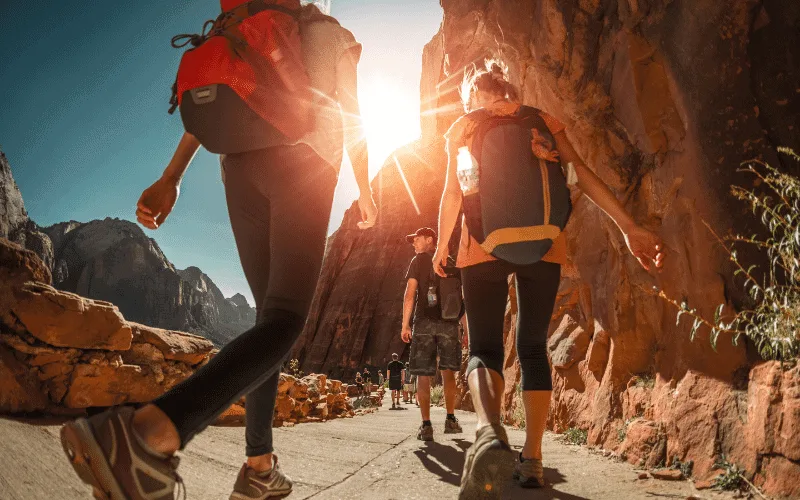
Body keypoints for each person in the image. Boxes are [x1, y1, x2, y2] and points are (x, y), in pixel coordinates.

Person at [59, 2, 378, 499]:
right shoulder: (329, 32)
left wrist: (171, 177)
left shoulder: (241, 23)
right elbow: (352, 113)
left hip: (238, 170)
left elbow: (215, 104)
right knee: (285, 319)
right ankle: (146, 435)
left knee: (267, 324)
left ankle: (259, 468)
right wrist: (368, 193)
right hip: (304, 165)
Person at [434, 59, 665, 497]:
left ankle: (488, 432)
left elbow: (452, 191)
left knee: (483, 347)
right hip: (544, 244)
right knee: (533, 346)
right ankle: (534, 459)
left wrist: (444, 246)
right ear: (509, 88)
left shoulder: (463, 126)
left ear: (472, 96)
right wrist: (628, 226)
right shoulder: (541, 120)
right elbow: (582, 177)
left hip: (480, 246)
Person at [401, 227, 463, 441]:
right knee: (448, 373)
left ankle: (426, 425)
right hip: (449, 323)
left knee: (423, 374)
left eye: (416, 239)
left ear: (429, 240)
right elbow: (461, 297)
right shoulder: (452, 260)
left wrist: (405, 325)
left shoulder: (418, 262)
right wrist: (463, 327)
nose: (414, 244)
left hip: (425, 322)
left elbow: (410, 295)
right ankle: (451, 420)